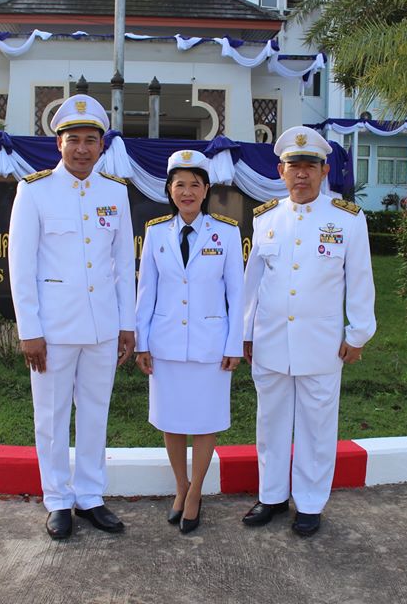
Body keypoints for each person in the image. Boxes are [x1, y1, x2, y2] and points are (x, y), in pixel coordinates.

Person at [8, 95, 136, 540]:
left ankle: (91, 496)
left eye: (91, 140)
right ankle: (58, 500)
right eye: (74, 140)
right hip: (54, 329)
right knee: (52, 416)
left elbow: (123, 264)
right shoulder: (35, 191)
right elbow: (21, 267)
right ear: (58, 144)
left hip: (102, 327)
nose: (82, 149)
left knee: (96, 414)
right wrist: (30, 331)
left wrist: (126, 323)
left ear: (102, 145)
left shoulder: (115, 192)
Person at [241, 125, 376, 538]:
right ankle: (271, 496)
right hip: (270, 341)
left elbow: (361, 280)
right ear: (281, 171)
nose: (301, 174)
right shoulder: (266, 218)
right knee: (271, 423)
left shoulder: (347, 220)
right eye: (293, 166)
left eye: (310, 166)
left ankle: (311, 503)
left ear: (324, 171)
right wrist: (245, 332)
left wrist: (358, 334)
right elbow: (252, 283)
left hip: (321, 345)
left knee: (317, 427)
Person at [134, 150, 244, 534]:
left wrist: (234, 345)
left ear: (206, 189)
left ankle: (195, 493)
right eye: (179, 184)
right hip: (165, 343)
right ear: (169, 189)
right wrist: (142, 342)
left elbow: (237, 293)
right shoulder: (156, 232)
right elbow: (146, 291)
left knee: (205, 421)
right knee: (172, 420)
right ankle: (180, 487)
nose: (187, 192)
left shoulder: (226, 233)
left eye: (195, 184)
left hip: (210, 344)